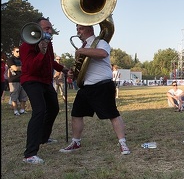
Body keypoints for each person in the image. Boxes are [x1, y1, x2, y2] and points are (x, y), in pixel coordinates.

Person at [59, 24, 131, 156]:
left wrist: (81, 51)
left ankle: (123, 143)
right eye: (77, 29)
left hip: (102, 85)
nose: (78, 31)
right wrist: (72, 73)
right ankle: (76, 142)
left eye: (80, 28)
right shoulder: (83, 47)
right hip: (86, 86)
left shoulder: (100, 42)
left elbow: (102, 54)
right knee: (76, 114)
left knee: (112, 114)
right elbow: (81, 69)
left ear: (90, 29)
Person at [20, 17, 69, 164]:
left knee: (53, 108)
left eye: (50, 28)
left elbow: (50, 61)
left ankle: (43, 138)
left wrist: (62, 68)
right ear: (37, 29)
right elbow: (31, 68)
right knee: (39, 111)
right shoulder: (26, 46)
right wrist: (41, 52)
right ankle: (29, 154)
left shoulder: (48, 44)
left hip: (45, 81)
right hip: (32, 81)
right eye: (46, 28)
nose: (50, 31)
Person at [7, 46, 28, 116]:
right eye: (17, 51)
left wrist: (20, 68)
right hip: (14, 80)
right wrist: (23, 67)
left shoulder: (23, 59)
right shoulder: (10, 59)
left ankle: (22, 110)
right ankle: (15, 110)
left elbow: (28, 66)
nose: (19, 53)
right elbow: (15, 68)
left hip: (23, 79)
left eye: (20, 51)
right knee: (14, 96)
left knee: (23, 96)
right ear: (13, 52)